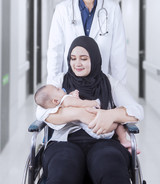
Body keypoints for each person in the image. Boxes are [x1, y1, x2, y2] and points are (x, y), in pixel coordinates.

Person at [36, 36, 144, 184]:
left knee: (111, 170)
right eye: (73, 58)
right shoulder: (60, 81)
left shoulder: (109, 83)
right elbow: (40, 112)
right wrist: (80, 114)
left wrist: (111, 114)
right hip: (65, 142)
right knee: (62, 172)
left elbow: (137, 111)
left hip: (104, 142)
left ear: (94, 58)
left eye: (84, 58)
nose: (77, 63)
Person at [47, 0, 127, 86]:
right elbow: (55, 52)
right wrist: (53, 89)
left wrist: (119, 91)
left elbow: (118, 55)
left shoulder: (112, 9)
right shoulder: (62, 10)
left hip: (101, 85)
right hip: (69, 86)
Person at [35, 84, 133, 144]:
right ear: (55, 100)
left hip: (92, 128)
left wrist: (73, 96)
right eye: (57, 89)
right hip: (94, 129)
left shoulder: (60, 103)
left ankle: (123, 139)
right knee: (116, 124)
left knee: (114, 122)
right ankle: (123, 139)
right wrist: (94, 102)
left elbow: (74, 102)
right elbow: (80, 103)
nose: (60, 88)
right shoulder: (66, 100)